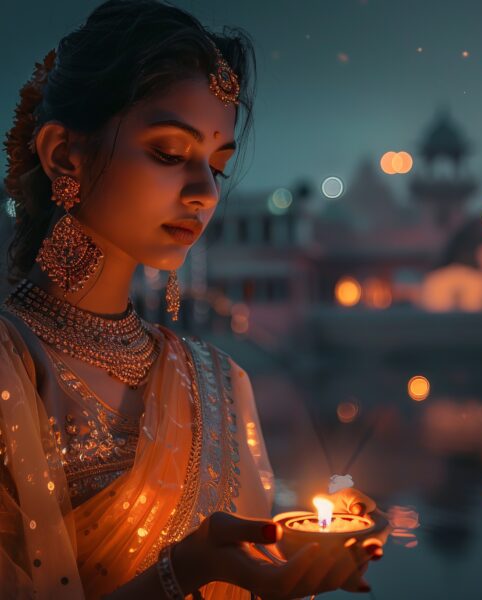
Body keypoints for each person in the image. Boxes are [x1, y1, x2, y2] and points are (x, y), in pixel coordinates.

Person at [0, 1, 384, 598]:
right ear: (64, 155)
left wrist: (300, 546)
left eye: (217, 167)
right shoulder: (12, 366)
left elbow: (250, 567)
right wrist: (188, 570)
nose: (204, 192)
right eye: (169, 154)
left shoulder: (221, 382)